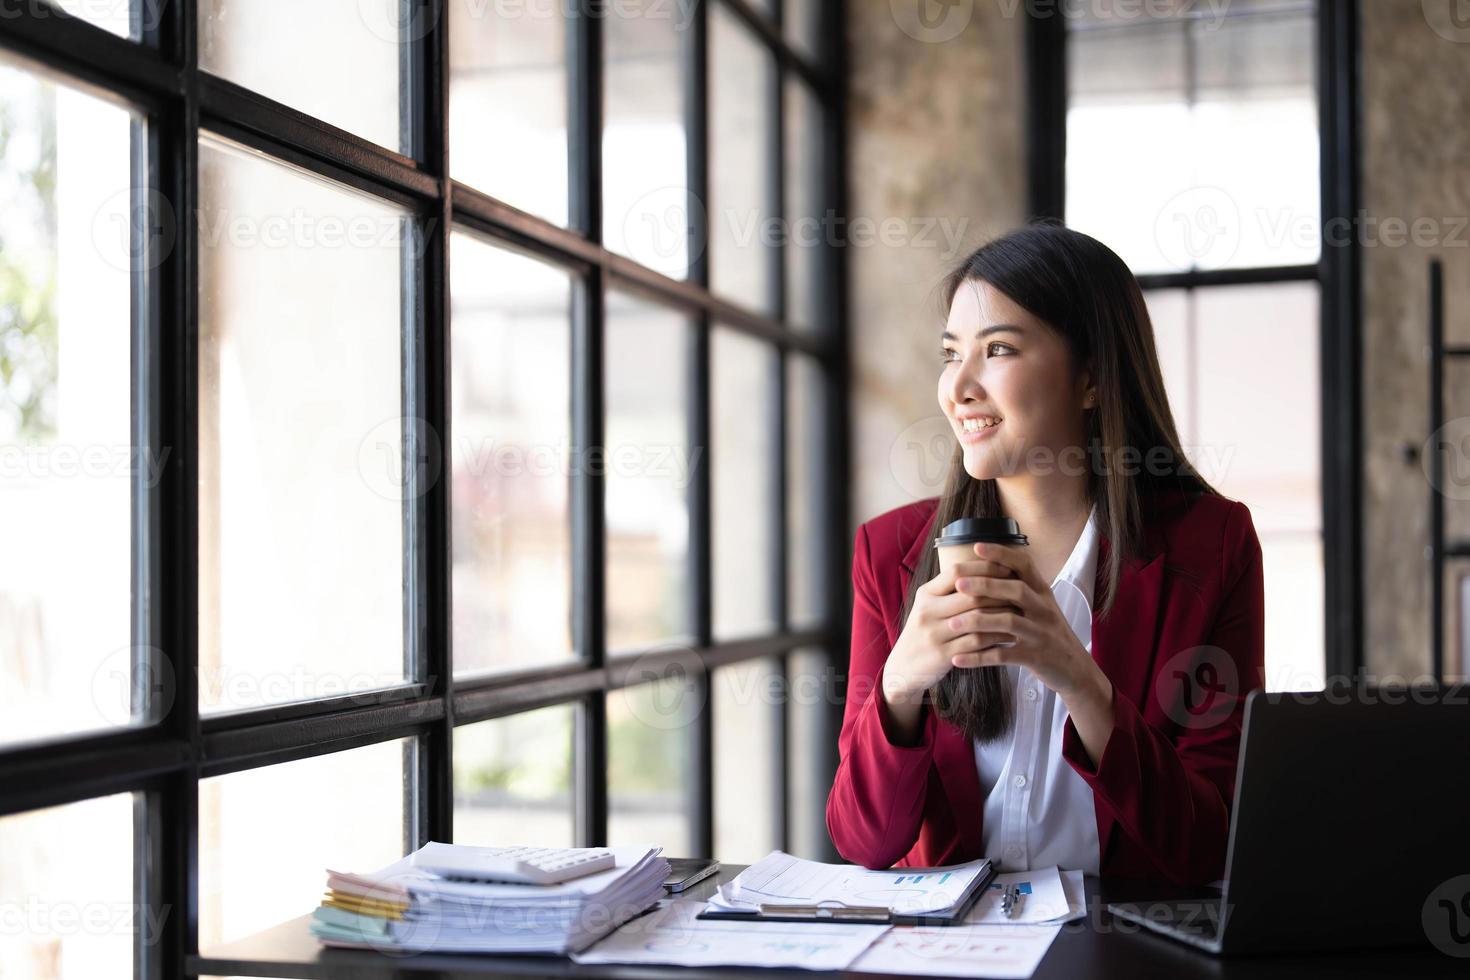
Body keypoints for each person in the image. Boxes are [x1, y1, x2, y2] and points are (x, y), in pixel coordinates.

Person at [826, 222, 1265, 887]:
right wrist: (900, 684)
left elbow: (1207, 845)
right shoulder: (889, 553)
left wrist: (1080, 680)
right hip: (954, 955)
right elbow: (864, 841)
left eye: (997, 348)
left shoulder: (1213, 548)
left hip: (1127, 950)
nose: (958, 387)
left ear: (1091, 378)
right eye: (952, 354)